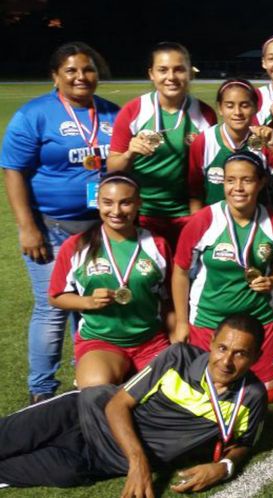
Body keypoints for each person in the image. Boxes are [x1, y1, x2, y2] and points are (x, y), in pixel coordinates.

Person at [0, 314, 267, 493]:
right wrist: (138, 463)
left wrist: (224, 467)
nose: (227, 361)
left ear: (256, 357)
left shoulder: (252, 397)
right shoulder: (178, 358)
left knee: (43, 473)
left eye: (240, 354)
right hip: (79, 414)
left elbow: (243, 444)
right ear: (211, 343)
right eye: (222, 348)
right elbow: (117, 404)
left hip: (97, 461)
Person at [0, 41, 119, 404]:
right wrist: (27, 226)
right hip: (50, 228)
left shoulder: (113, 114)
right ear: (56, 76)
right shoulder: (35, 114)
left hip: (99, 230)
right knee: (52, 308)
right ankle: (42, 391)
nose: (81, 77)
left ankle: (87, 381)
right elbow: (13, 170)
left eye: (88, 69)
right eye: (71, 70)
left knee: (92, 307)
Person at [173, 152, 273, 402]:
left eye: (246, 180)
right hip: (210, 319)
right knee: (206, 391)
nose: (237, 187)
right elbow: (181, 272)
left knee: (272, 393)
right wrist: (182, 322)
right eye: (230, 180)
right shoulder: (203, 221)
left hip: (259, 321)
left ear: (261, 183)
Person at [48, 173, 172, 389]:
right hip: (100, 341)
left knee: (168, 397)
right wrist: (87, 302)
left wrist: (177, 331)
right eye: (108, 203)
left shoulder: (157, 244)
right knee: (97, 390)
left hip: (150, 341)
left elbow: (169, 297)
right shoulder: (77, 246)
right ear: (98, 203)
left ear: (138, 203)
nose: (116, 211)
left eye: (125, 203)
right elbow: (56, 296)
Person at [107, 42, 217, 247]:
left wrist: (198, 213)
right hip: (142, 214)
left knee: (184, 275)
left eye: (179, 69)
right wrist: (129, 153)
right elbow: (112, 169)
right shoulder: (134, 111)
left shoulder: (205, 114)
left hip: (188, 214)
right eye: (163, 70)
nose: (171, 77)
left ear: (189, 72)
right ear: (151, 74)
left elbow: (208, 172)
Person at [188, 78, 273, 211]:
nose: (237, 112)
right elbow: (195, 195)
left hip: (257, 221)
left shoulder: (265, 138)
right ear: (220, 108)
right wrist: (198, 226)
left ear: (255, 107)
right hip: (216, 224)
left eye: (244, 105)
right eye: (230, 106)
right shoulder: (205, 141)